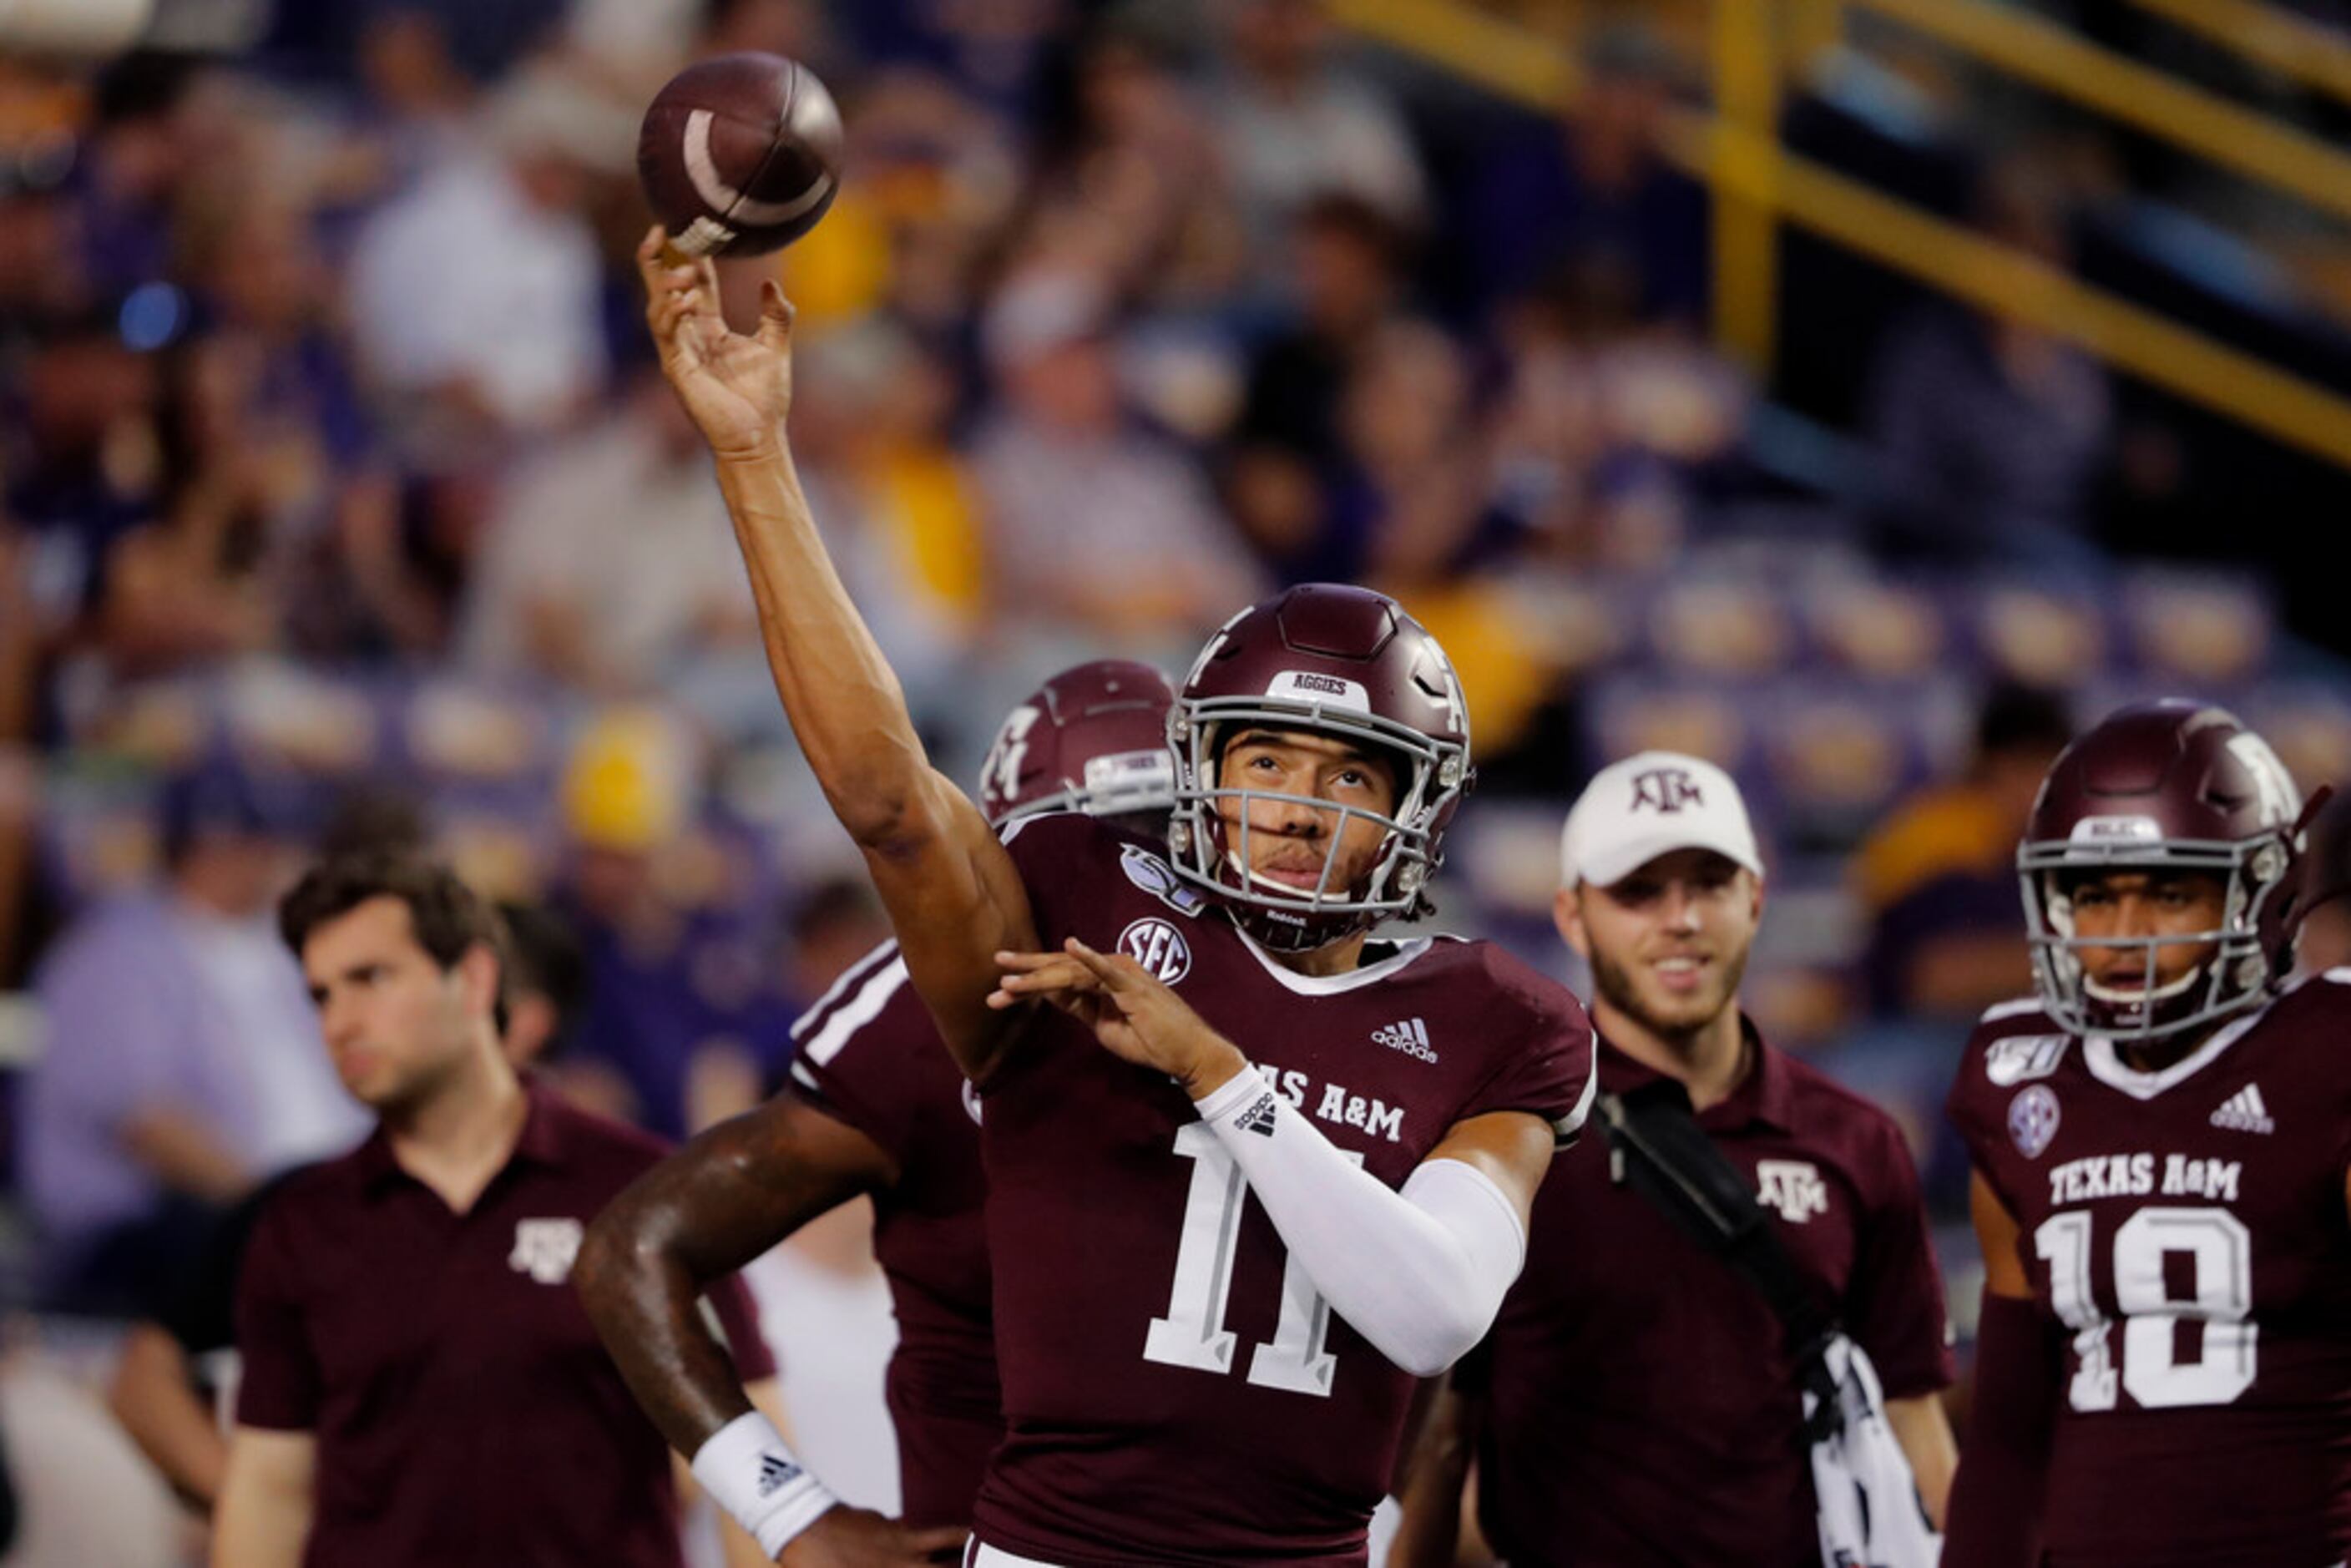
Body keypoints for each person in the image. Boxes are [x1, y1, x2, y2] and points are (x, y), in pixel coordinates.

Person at [624, 229, 1594, 1566]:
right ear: (1203, 768)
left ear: (1418, 802)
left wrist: (1217, 1070)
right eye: (1265, 759)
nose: (1301, 806)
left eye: (1348, 773)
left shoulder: (1498, 1015)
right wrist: (754, 458)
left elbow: (1436, 1313)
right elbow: (895, 803)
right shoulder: (1078, 907)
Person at [579, 659, 1180, 1538]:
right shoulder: (920, 1028)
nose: (1143, 879)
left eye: (1168, 838)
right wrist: (793, 1513)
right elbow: (633, 1248)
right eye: (1105, 841)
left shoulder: (1280, 1006)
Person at [1393, 751, 1956, 1568]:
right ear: (1571, 915)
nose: (1679, 918)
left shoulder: (1856, 1141)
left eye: (1708, 884)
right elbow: (1443, 1436)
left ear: (1756, 898)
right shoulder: (1503, 1133)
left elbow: (1911, 1418)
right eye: (1638, 892)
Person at [209, 851, 781, 1568]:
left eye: (371, 978)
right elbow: (269, 1484)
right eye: (320, 995)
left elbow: (753, 1459)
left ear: (475, 978)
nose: (340, 1022)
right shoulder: (303, 1225)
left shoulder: (641, 1190)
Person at [1942, 700, 2351, 1567]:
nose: (2123, 937)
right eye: (2092, 895)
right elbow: (2009, 1434)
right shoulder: (2019, 1079)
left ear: (2260, 890)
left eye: (2168, 891)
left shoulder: (2326, 1056)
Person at [108, 897, 586, 1512]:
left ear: (518, 1021)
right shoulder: (303, 1206)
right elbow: (145, 1375)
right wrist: (266, 1517)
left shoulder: (608, 1209)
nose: (362, 1020)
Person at [19, 758, 367, 1313]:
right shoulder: (115, 952)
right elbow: (150, 1125)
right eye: (258, 844)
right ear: (208, 851)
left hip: (301, 1211)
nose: (275, 860)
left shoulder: (282, 948)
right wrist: (284, 1213)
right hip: (151, 1226)